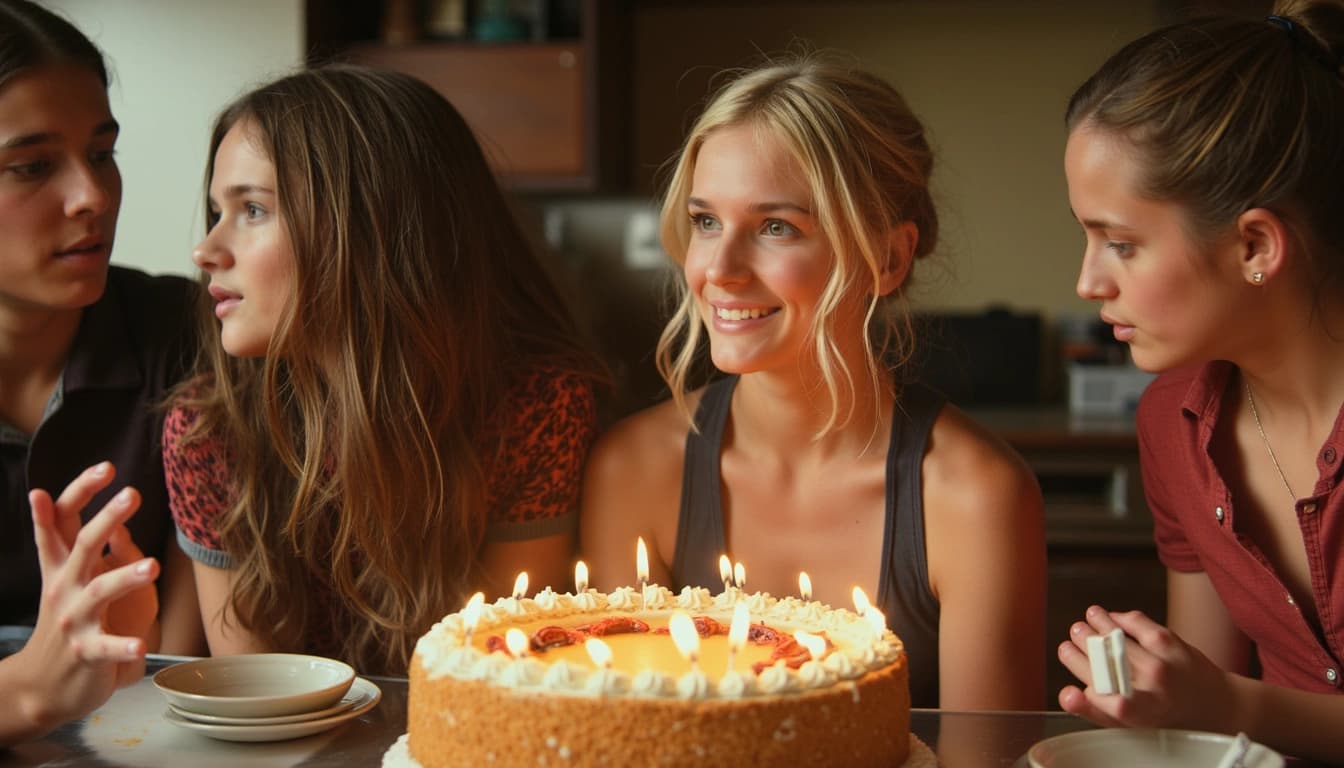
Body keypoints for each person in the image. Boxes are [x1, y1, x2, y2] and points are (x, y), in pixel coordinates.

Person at [580, 56, 1047, 711]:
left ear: (888, 257)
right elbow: (629, 738)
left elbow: (986, 760)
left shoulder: (974, 495)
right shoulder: (633, 470)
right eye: (706, 221)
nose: (719, 268)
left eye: (776, 227)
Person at [164, 65, 605, 676]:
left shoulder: (536, 407)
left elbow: (496, 674)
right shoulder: (208, 431)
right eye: (217, 211)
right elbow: (256, 700)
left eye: (254, 210)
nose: (206, 250)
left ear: (371, 224)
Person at [1056, 1, 1344, 761]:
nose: (1087, 282)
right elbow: (1208, 730)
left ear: (1255, 243)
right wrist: (1159, 695)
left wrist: (1222, 703)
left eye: (1120, 244)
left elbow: (1225, 706)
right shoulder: (1172, 422)